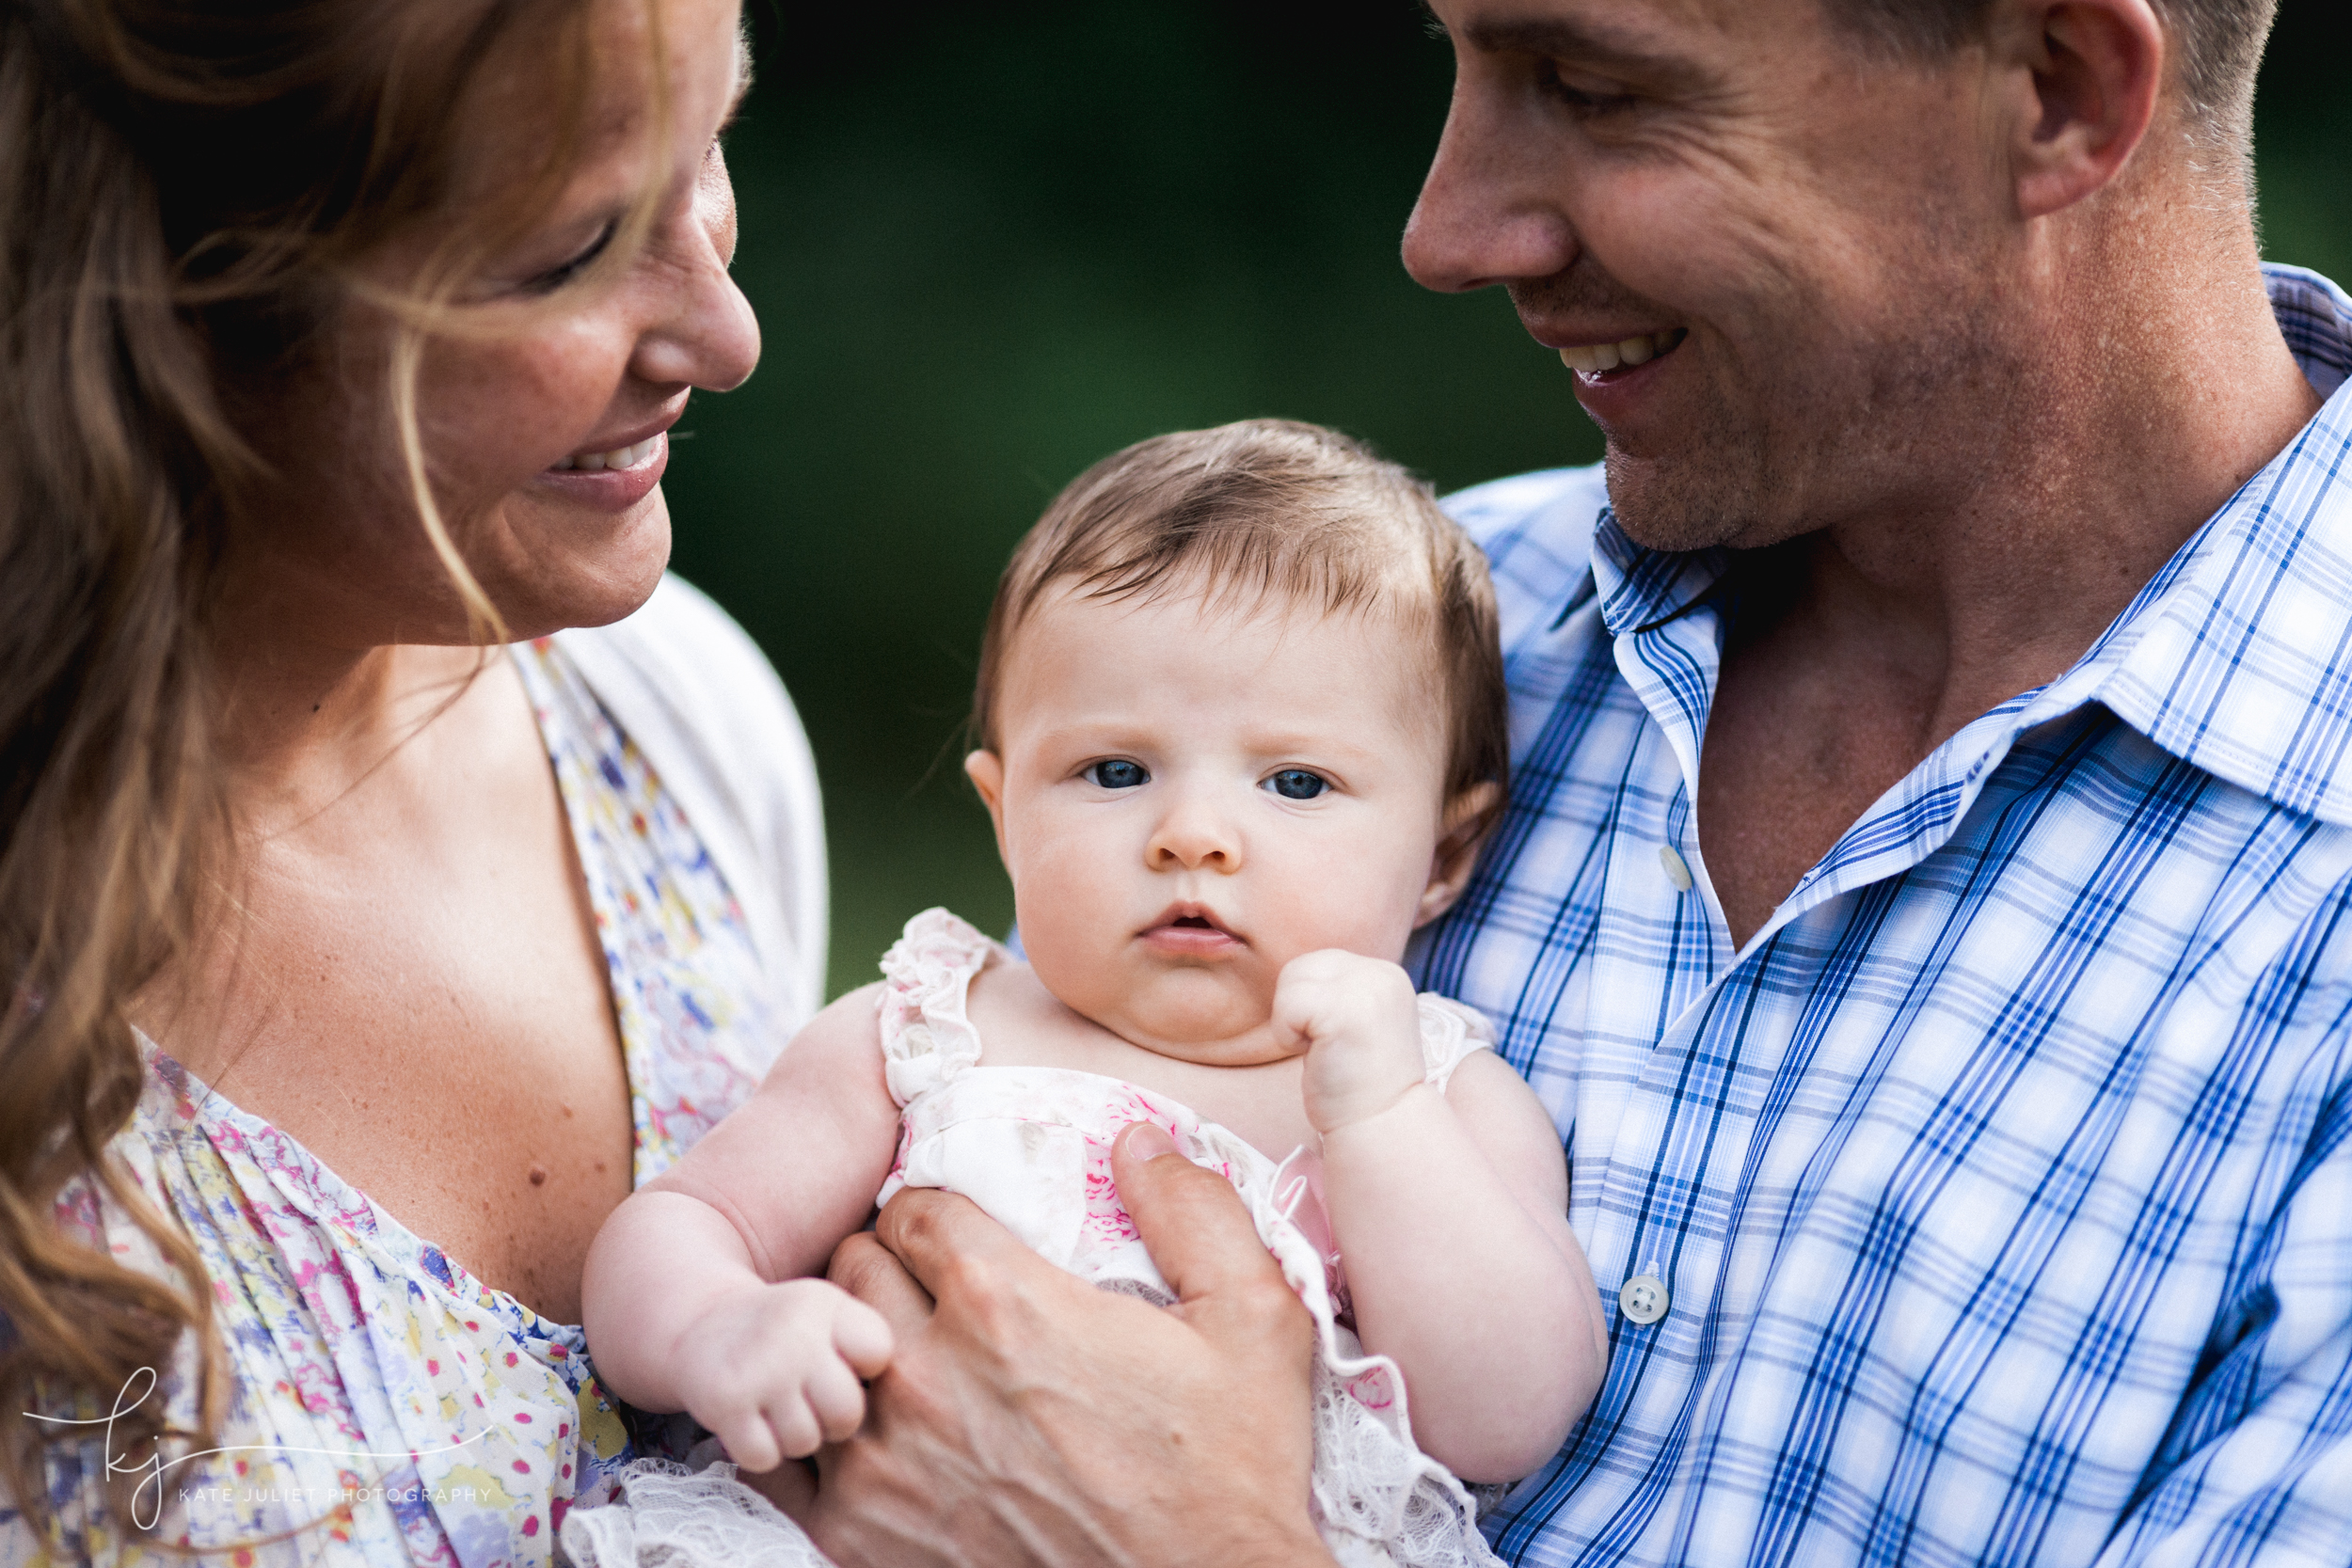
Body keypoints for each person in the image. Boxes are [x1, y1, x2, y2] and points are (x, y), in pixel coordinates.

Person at [796, 1, 2352, 1564]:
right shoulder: (1383, 655)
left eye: (1595, 89)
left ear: (2059, 91)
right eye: (1459, 65)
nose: (1446, 229)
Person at [0, 1, 826, 1561]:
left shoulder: (668, 724)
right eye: (574, 247)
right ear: (169, 301)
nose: (727, 334)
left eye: (710, 143)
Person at [568, 420, 1610, 1568]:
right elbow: (686, 1221)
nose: (1194, 836)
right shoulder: (927, 1029)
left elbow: (1505, 1415)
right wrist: (718, 1322)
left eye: (1297, 781)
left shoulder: (1439, 1095)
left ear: (1445, 856)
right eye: (1115, 771)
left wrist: (1381, 1120)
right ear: (1003, 812)